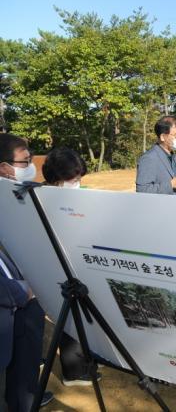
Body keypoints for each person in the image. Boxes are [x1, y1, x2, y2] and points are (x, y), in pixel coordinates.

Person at [0, 133, 53, 410]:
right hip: (13, 298)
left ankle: (25, 398)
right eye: (24, 161)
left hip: (27, 295)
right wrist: (22, 291)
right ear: (4, 167)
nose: (31, 166)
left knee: (27, 356)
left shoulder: (19, 194)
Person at [42, 147, 102, 387]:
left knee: (85, 318)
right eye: (73, 179)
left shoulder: (69, 196)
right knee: (69, 320)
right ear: (55, 177)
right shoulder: (42, 199)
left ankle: (86, 360)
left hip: (80, 264)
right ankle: (74, 371)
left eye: (79, 179)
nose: (77, 184)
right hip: (60, 269)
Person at [136, 115, 176, 195]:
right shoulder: (149, 158)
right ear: (162, 137)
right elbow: (142, 190)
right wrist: (171, 185)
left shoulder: (173, 156)